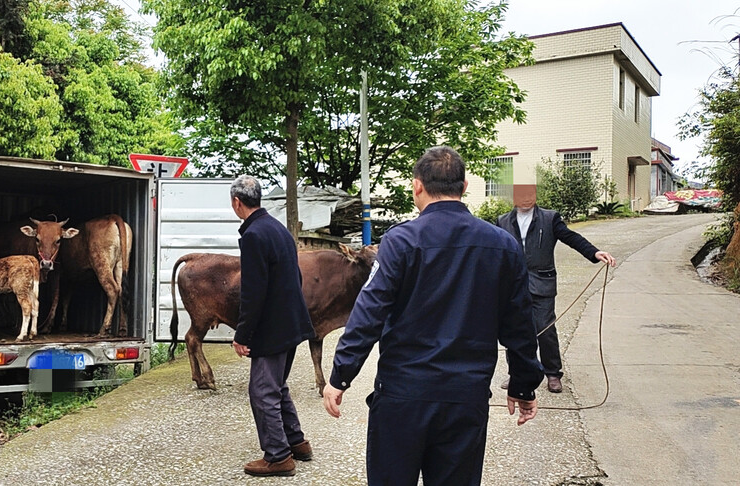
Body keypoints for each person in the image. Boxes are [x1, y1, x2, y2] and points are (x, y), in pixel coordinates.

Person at [322, 146, 544, 486]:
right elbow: (520, 324)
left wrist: (340, 376)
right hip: (465, 396)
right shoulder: (502, 245)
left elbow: (370, 311)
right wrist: (524, 385)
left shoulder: (400, 242)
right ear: (465, 186)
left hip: (403, 395)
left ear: (417, 186)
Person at [230, 175, 317, 477]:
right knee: (277, 386)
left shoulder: (254, 235)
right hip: (292, 321)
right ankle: (297, 442)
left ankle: (278, 457)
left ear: (236, 202)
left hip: (273, 326)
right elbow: (295, 277)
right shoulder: (278, 228)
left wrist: (242, 334)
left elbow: (253, 291)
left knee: (262, 391)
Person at [496, 185, 617, 393]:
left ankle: (552, 373)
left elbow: (570, 237)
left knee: (545, 329)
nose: (526, 199)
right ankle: (517, 374)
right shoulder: (502, 221)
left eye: (530, 194)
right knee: (515, 331)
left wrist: (594, 253)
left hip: (542, 282)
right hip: (513, 284)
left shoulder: (550, 218)